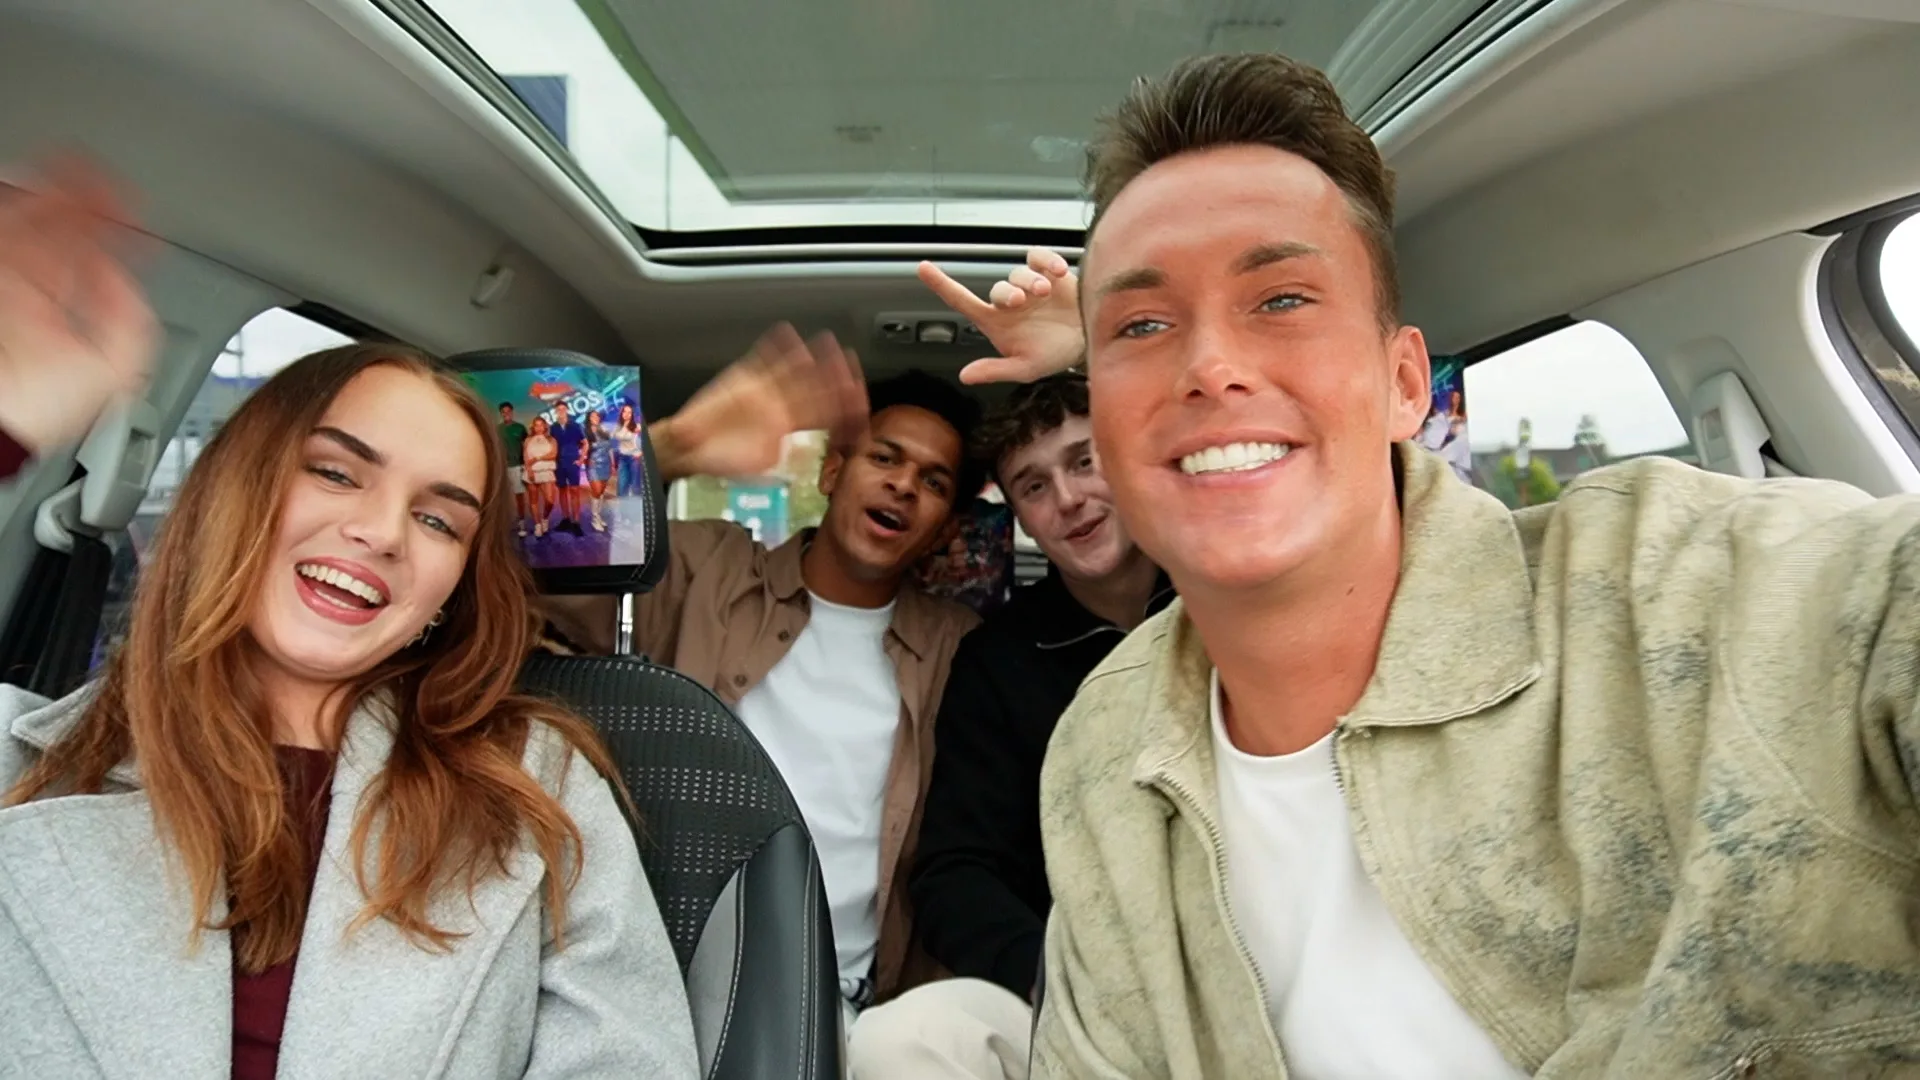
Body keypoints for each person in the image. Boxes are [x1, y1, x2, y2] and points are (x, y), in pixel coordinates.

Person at [946, 53, 1920, 1079]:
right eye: (1144, 325)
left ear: (1405, 383)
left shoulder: (1675, 593)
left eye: (1281, 299)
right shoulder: (1100, 752)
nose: (1209, 367)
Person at [0, 164, 697, 1078]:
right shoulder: (25, 763)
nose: (382, 531)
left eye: (440, 520)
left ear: (452, 590)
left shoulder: (540, 792)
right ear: (235, 490)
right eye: (335, 472)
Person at [629, 328, 987, 1031]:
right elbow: (528, 564)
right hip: (671, 984)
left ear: (946, 529)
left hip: (850, 1007)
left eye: (933, 481)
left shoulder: (958, 649)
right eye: (885, 457)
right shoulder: (710, 572)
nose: (903, 485)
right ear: (831, 474)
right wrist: (669, 448)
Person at [848, 371, 1172, 1080]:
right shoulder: (998, 661)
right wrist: (1056, 977)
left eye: (1085, 462)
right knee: (898, 1040)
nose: (1068, 499)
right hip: (1074, 993)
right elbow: (955, 873)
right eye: (1033, 486)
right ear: (1018, 516)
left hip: (1258, 959)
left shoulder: (1227, 596)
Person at [550, 401, 586, 534]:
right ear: (555, 411)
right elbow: (551, 445)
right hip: (559, 463)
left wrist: (581, 459)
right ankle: (565, 519)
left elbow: (585, 443)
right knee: (562, 491)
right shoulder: (553, 428)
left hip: (572, 463)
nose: (561, 411)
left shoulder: (575, 426)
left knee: (575, 491)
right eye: (558, 409)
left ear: (567, 410)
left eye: (563, 409)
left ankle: (576, 522)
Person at [499, 402, 531, 537]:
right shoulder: (497, 429)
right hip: (502, 468)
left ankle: (521, 523)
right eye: (504, 412)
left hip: (517, 466)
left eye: (508, 411)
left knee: (519, 496)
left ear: (512, 412)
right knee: (503, 498)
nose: (506, 414)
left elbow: (527, 446)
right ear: (501, 414)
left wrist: (526, 465)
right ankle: (504, 524)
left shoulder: (520, 428)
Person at [522, 415, 558, 538]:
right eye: (536, 425)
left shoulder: (551, 439)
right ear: (533, 427)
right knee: (534, 500)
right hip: (532, 472)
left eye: (541, 425)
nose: (538, 427)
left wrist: (537, 458)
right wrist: (529, 470)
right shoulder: (528, 440)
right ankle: (537, 525)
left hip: (546, 471)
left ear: (545, 426)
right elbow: (526, 457)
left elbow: (553, 454)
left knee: (550, 500)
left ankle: (545, 519)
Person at [584, 408, 614, 533]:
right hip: (593, 464)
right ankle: (594, 518)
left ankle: (598, 516)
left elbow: (610, 448)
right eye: (593, 416)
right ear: (589, 419)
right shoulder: (585, 431)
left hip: (606, 463)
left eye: (597, 416)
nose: (595, 418)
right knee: (596, 491)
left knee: (601, 492)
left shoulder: (604, 430)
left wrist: (613, 463)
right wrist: (585, 458)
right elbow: (582, 447)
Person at [614, 401, 644, 504]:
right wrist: (625, 425)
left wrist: (641, 452)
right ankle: (624, 511)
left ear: (632, 414)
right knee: (622, 487)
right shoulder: (618, 427)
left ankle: (636, 510)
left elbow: (647, 440)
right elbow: (620, 436)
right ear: (621, 413)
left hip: (634, 458)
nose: (627, 414)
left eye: (629, 412)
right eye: (625, 412)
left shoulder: (637, 426)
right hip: (623, 458)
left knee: (635, 486)